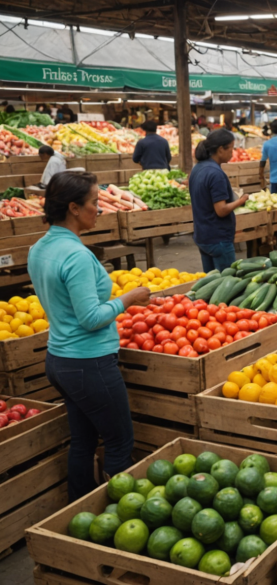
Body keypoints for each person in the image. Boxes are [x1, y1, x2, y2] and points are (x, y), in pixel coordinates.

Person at [28, 171, 152, 502]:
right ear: (73, 208)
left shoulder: (39, 249)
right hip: (88, 363)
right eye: (94, 203)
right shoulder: (77, 256)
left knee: (83, 440)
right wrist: (129, 299)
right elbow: (91, 318)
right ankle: (117, 519)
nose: (99, 209)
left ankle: (79, 511)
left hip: (59, 359)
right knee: (119, 442)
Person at [189, 130, 249, 271]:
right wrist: (241, 201)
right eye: (231, 148)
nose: (232, 153)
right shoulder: (216, 174)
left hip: (202, 236)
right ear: (221, 149)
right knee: (226, 284)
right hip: (218, 238)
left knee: (210, 282)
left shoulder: (198, 168)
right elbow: (221, 210)